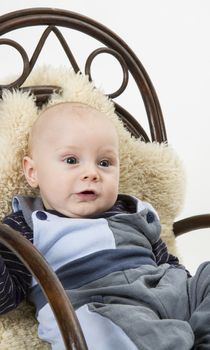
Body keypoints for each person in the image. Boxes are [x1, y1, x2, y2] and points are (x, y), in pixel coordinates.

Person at [0, 101, 209, 350]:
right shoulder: (24, 227)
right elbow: (5, 296)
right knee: (98, 330)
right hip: (102, 305)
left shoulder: (132, 209)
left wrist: (188, 292)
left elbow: (166, 261)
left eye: (105, 163)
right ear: (32, 172)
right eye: (71, 160)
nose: (92, 173)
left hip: (167, 289)